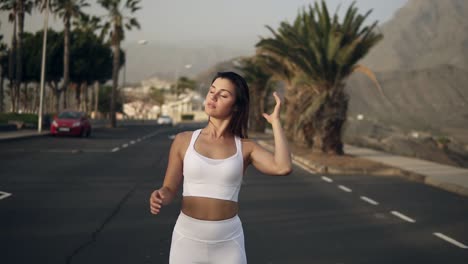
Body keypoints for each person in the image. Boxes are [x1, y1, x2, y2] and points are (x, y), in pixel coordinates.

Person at [149, 71, 292, 263]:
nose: (213, 97)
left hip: (228, 242)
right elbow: (169, 188)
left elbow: (282, 167)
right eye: (211, 91)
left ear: (236, 106)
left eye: (223, 95)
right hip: (187, 239)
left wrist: (276, 123)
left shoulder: (246, 147)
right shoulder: (184, 140)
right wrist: (160, 195)